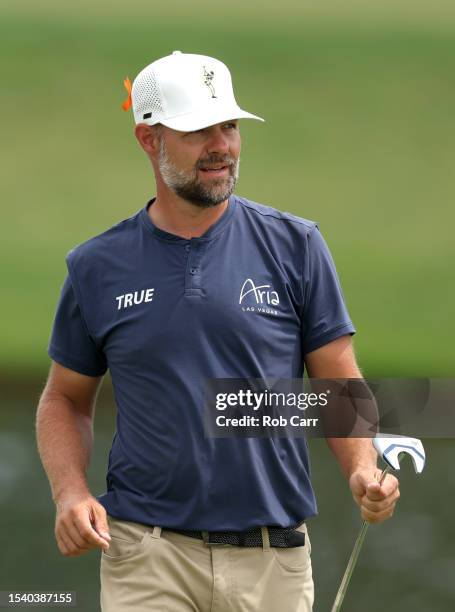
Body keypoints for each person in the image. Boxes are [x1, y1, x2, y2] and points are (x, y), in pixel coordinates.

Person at [36, 51, 400, 612]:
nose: (221, 145)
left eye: (228, 126)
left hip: (273, 562)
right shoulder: (96, 266)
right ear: (148, 139)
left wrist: (362, 469)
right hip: (145, 555)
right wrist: (70, 492)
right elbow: (64, 397)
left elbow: (338, 385)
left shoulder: (297, 246)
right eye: (197, 130)